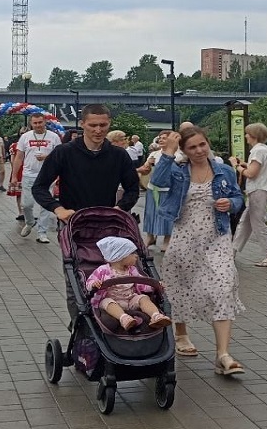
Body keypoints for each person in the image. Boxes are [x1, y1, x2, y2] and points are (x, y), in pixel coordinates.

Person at [150, 126, 246, 375]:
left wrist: (231, 203)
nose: (199, 150)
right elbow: (156, 182)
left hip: (217, 238)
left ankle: (223, 354)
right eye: (192, 147)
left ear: (208, 143)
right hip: (184, 237)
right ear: (184, 150)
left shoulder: (224, 170)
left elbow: (239, 198)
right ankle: (181, 334)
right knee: (180, 286)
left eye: (202, 144)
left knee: (224, 286)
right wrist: (168, 152)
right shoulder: (178, 170)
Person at [85, 236, 171, 330]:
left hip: (130, 299)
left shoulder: (132, 270)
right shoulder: (103, 270)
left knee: (143, 298)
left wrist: (154, 286)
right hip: (112, 300)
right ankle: (124, 318)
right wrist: (94, 284)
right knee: (107, 302)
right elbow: (89, 282)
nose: (136, 256)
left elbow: (142, 283)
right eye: (132, 253)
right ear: (120, 256)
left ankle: (156, 315)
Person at [230, 122, 267, 268]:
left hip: (259, 190)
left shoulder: (257, 151)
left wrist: (236, 165)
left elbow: (251, 174)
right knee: (245, 223)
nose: (245, 136)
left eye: (247, 133)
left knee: (257, 223)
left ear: (253, 135)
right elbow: (258, 168)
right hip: (264, 189)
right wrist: (245, 164)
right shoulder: (266, 150)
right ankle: (232, 251)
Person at [11, 114, 62, 243]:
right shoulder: (25, 137)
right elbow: (19, 157)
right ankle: (30, 222)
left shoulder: (54, 137)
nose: (38, 125)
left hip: (47, 175)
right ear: (31, 124)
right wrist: (14, 176)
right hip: (29, 174)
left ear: (45, 122)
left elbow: (59, 156)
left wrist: (47, 157)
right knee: (26, 204)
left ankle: (42, 233)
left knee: (45, 204)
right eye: (35, 123)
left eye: (40, 122)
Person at [138, 131, 174, 251]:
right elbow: (145, 171)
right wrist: (148, 165)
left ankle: (167, 239)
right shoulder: (154, 154)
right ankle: (150, 237)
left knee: (167, 214)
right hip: (152, 188)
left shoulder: (178, 155)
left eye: (164, 138)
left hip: (169, 189)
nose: (161, 140)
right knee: (150, 213)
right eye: (160, 138)